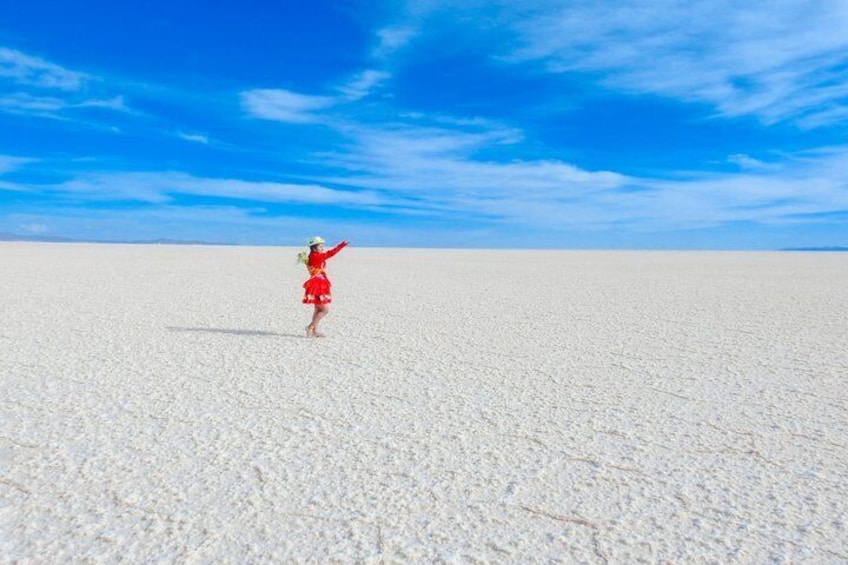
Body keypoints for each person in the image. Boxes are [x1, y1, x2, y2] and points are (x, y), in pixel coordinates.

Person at [297, 236, 349, 337]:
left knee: (318, 309)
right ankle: (310, 327)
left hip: (319, 283)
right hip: (318, 284)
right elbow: (331, 253)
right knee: (325, 309)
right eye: (320, 246)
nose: (322, 248)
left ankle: (315, 331)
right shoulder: (316, 256)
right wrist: (342, 245)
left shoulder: (312, 255)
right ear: (314, 248)